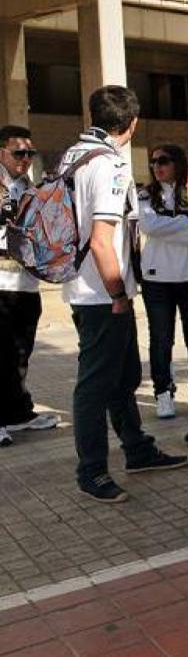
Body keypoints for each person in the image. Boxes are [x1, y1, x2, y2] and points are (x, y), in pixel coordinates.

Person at [65, 86, 188, 503]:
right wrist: (118, 293)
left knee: (122, 377)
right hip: (102, 292)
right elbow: (102, 241)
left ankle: (135, 448)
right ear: (132, 124)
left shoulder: (74, 155)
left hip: (85, 288)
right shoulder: (109, 166)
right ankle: (93, 471)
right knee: (96, 384)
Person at [137, 144, 188, 420]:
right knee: (160, 339)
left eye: (163, 161)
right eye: (154, 161)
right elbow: (148, 227)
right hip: (157, 279)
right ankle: (163, 393)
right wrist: (184, 221)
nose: (157, 166)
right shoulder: (145, 194)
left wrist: (168, 226)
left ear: (177, 163)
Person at [0, 126, 59, 447]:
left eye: (29, 153)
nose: (25, 159)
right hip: (1, 284)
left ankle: (17, 413)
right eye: (18, 153)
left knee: (20, 354)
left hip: (26, 284)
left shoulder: (28, 188)